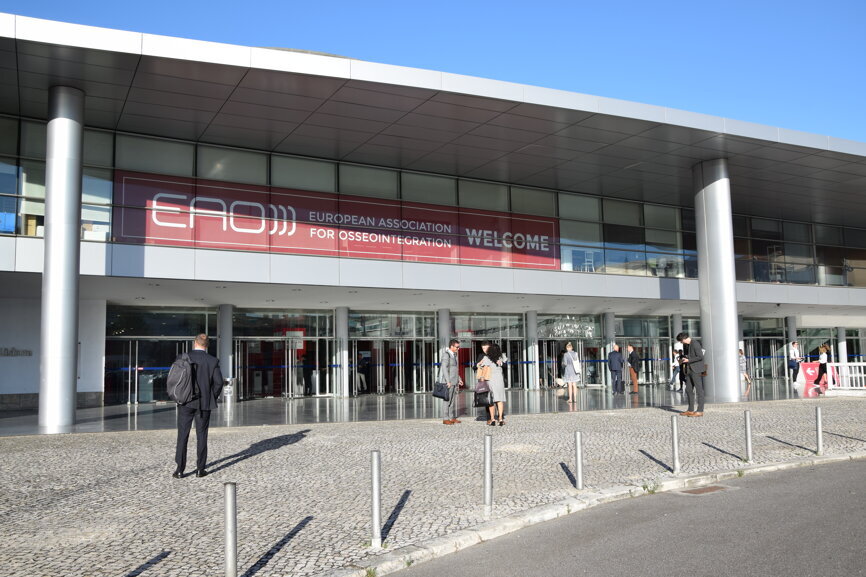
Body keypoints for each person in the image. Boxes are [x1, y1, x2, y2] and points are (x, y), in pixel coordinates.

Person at [173, 333, 224, 479]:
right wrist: (211, 396)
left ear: (195, 342)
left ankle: (180, 470)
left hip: (185, 402)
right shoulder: (212, 360)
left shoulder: (183, 358)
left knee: (182, 435)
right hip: (204, 403)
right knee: (202, 435)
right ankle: (200, 469)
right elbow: (219, 383)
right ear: (207, 345)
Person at [676, 332, 705, 417]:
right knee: (688, 389)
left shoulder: (695, 344)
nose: (681, 343)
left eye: (681, 341)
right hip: (688, 370)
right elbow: (690, 356)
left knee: (699, 390)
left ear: (684, 339)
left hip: (696, 369)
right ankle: (690, 410)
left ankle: (700, 410)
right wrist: (685, 359)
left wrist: (689, 360)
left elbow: (700, 357)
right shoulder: (686, 345)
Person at [478, 341, 507, 426]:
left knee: (491, 400)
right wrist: (500, 363)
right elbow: (505, 365)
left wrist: (479, 364)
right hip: (499, 380)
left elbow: (481, 366)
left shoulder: (487, 358)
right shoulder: (502, 356)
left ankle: (493, 419)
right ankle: (501, 419)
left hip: (490, 380)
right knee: (499, 400)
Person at [437, 339, 463, 425]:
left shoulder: (454, 355)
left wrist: (459, 379)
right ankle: (445, 418)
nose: (458, 349)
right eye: (457, 347)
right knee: (447, 400)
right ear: (451, 346)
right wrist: (448, 381)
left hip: (454, 381)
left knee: (452, 400)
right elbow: (444, 369)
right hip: (449, 382)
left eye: (458, 347)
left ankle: (451, 417)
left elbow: (454, 369)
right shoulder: (446, 355)